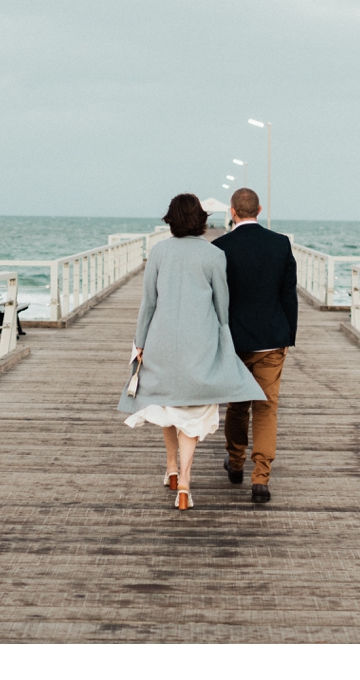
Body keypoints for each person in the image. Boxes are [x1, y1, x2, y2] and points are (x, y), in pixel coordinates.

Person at [119, 193, 266, 510]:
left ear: (170, 219)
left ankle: (171, 467)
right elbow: (221, 305)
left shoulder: (158, 251)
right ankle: (183, 482)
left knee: (169, 405)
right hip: (199, 344)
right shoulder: (213, 255)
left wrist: (140, 342)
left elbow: (149, 302)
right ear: (201, 220)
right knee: (191, 410)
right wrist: (223, 338)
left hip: (161, 341)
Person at [211, 187, 297, 503]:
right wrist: (289, 335)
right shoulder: (280, 244)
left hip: (235, 340)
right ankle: (260, 478)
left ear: (233, 211)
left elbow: (214, 298)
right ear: (258, 210)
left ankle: (235, 463)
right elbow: (289, 293)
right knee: (266, 407)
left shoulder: (219, 247)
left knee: (237, 404)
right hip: (272, 340)